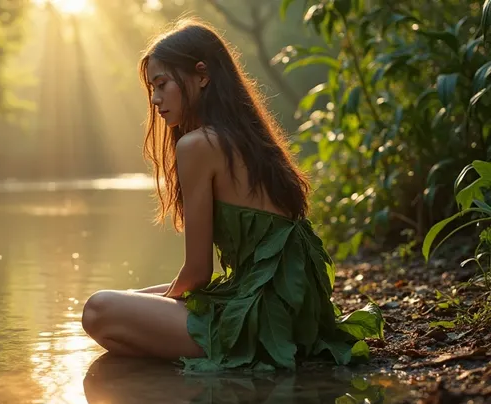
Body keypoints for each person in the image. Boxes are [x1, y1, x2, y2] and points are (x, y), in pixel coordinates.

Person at [80, 17, 382, 372]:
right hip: (291, 310)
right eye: (151, 88)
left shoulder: (198, 145)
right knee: (130, 302)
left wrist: (158, 310)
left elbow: (197, 274)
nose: (155, 99)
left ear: (202, 75)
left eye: (161, 84)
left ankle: (210, 361)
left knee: (98, 310)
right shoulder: (247, 137)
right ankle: (181, 360)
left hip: (260, 320)